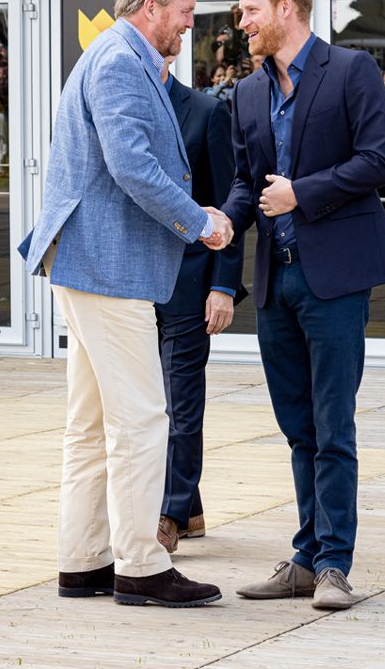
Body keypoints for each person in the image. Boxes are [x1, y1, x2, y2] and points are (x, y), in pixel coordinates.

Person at [18, 0, 233, 608]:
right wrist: (200, 222)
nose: (187, 26)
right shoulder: (118, 65)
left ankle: (82, 562)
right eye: (184, 13)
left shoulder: (118, 57)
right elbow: (133, 168)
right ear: (151, 9)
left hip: (89, 264)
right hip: (106, 268)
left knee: (90, 424)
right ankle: (140, 565)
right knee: (141, 419)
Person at [221, 0, 385, 609]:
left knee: (333, 426)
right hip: (276, 284)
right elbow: (248, 184)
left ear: (285, 8)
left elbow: (378, 161)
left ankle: (333, 566)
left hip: (335, 281)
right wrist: (221, 220)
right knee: (298, 428)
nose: (240, 22)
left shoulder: (350, 70)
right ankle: (304, 557)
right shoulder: (246, 93)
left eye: (248, 10)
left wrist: (303, 194)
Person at [155, 57, 245, 553]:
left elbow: (229, 203)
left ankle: (168, 513)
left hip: (190, 285)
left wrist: (224, 286)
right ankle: (189, 507)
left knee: (180, 406)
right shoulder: (123, 107)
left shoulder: (208, 112)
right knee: (145, 406)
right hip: (132, 284)